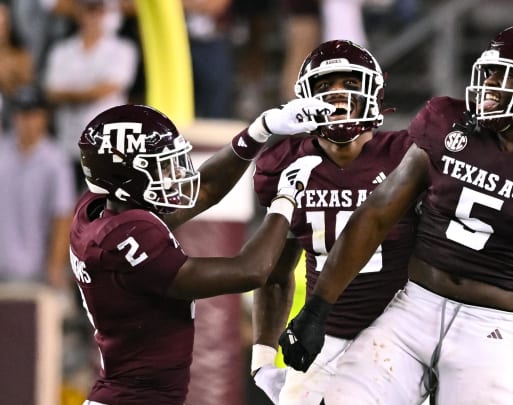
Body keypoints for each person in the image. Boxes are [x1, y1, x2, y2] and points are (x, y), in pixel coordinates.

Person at [279, 24, 513, 405]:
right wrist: (317, 309)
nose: (490, 84)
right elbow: (377, 214)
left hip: (488, 335)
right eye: (490, 72)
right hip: (412, 310)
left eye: (504, 74)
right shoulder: (450, 126)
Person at [68, 96, 336, 405]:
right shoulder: (127, 238)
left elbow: (204, 188)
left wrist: (261, 130)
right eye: (161, 167)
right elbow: (251, 271)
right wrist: (287, 196)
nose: (173, 176)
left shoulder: (96, 208)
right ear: (124, 177)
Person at [250, 39, 417, 405]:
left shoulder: (409, 156)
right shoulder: (286, 164)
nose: (337, 96)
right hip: (320, 334)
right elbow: (276, 274)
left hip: (400, 336)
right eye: (325, 87)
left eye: (349, 85)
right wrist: (262, 358)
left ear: (372, 93)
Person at [43, 0, 139, 192]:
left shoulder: (123, 49)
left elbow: (107, 88)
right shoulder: (62, 50)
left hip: (106, 147)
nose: (93, 16)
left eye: (98, 11)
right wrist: (89, 91)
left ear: (106, 14)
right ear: (79, 14)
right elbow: (51, 92)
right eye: (88, 10)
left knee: (100, 206)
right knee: (66, 203)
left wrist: (71, 93)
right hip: (67, 141)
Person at [0, 85, 75, 289]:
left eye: (33, 114)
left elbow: (62, 216)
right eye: (22, 113)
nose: (27, 121)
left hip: (38, 272)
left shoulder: (56, 160)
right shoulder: (2, 154)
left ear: (44, 117)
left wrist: (55, 266)